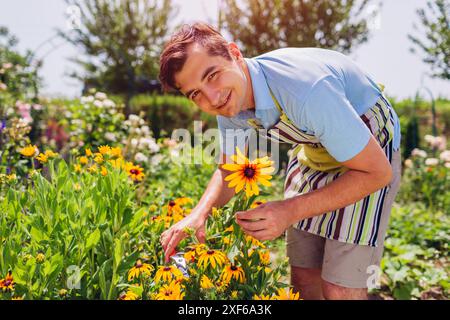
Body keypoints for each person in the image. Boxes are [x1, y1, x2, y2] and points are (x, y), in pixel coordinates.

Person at [158, 22, 401, 300]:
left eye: (212, 75)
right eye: (195, 94)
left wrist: (289, 211)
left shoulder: (306, 89)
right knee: (303, 276)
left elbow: (377, 173)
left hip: (369, 153)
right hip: (315, 152)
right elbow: (229, 170)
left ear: (234, 54)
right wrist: (198, 214)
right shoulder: (228, 102)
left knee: (340, 286)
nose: (211, 97)